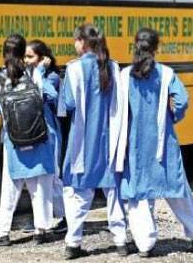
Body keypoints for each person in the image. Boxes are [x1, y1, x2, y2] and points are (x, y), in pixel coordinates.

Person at [118, 28, 193, 257]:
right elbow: (181, 101)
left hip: (134, 144)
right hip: (163, 141)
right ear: (156, 48)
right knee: (176, 188)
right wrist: (172, 117)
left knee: (138, 193)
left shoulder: (125, 75)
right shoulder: (167, 74)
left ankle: (145, 244)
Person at [57, 23, 127, 259]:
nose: (73, 44)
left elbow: (66, 106)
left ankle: (73, 243)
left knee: (79, 193)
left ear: (83, 43)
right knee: (114, 191)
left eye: (75, 40)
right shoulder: (114, 67)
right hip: (110, 141)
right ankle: (120, 241)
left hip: (83, 142)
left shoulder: (74, 69)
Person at [0, 34, 55, 247]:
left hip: (13, 139)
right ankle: (41, 229)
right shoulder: (34, 73)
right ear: (23, 53)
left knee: (10, 186)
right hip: (38, 136)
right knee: (40, 185)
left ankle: (3, 233)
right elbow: (47, 96)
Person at [24, 39, 67, 233]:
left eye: (30, 56)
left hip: (49, 131)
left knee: (54, 176)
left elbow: (51, 97)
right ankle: (44, 219)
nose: (26, 60)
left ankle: (66, 216)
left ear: (43, 58)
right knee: (38, 178)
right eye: (25, 56)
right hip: (34, 131)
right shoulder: (27, 75)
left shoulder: (51, 78)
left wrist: (40, 73)